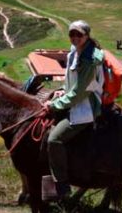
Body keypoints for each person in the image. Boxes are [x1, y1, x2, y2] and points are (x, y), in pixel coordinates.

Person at [43, 20, 104, 199]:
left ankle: (62, 187)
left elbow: (80, 93)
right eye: (72, 34)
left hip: (85, 108)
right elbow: (71, 81)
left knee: (54, 140)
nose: (75, 37)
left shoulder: (90, 59)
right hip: (73, 101)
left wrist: (55, 105)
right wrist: (62, 90)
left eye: (79, 34)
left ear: (87, 36)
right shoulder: (74, 52)